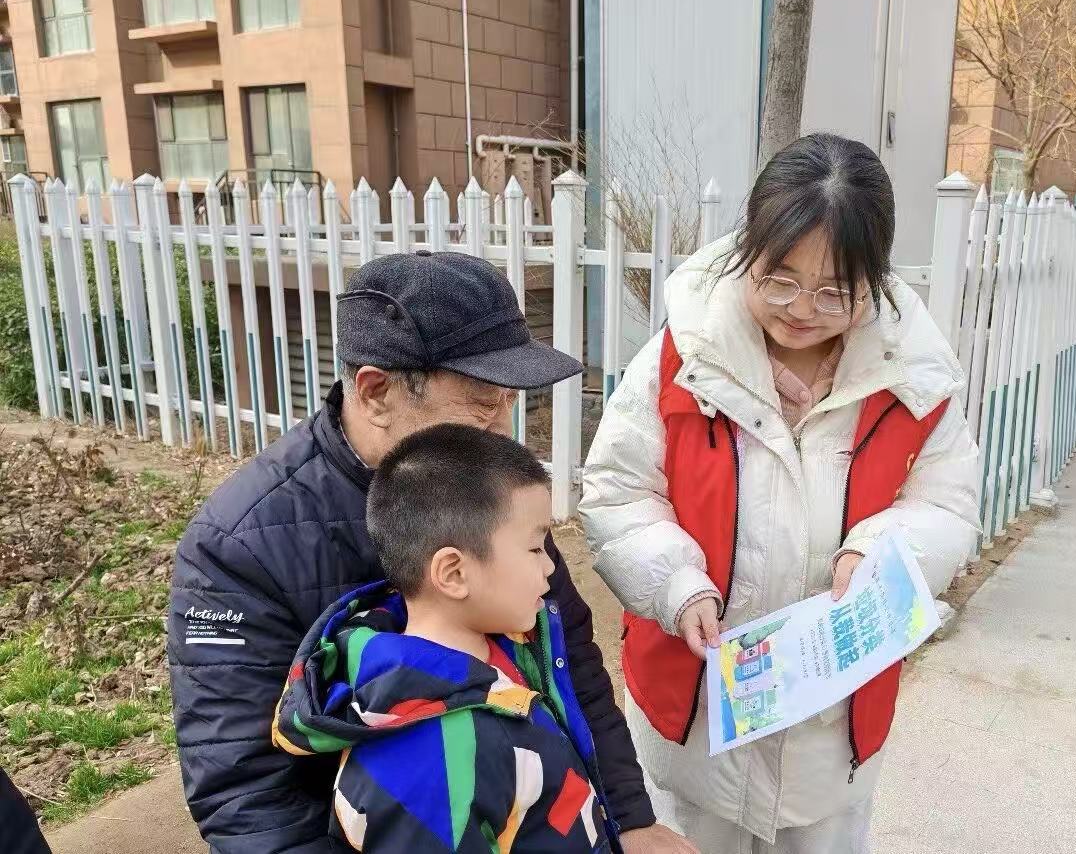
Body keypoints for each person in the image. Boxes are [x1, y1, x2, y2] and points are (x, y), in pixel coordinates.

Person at [169, 251, 693, 853]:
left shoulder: (485, 485)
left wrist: (627, 817)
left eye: (510, 403)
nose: (503, 431)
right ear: (376, 392)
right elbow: (248, 795)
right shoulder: (238, 547)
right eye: (482, 405)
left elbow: (566, 655)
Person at [579, 133, 981, 853]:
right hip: (697, 716)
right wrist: (675, 583)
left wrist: (879, 551)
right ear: (750, 251)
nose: (801, 309)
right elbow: (617, 492)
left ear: (875, 279)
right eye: (780, 279)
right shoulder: (682, 357)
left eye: (834, 291)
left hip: (831, 725)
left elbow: (946, 505)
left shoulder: (916, 376)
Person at [273, 425, 618, 852]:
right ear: (453, 573)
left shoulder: (509, 647)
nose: (549, 566)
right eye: (534, 549)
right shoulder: (425, 759)